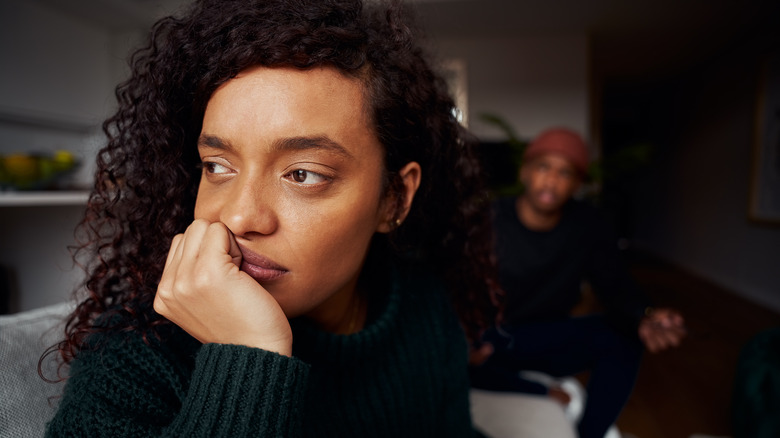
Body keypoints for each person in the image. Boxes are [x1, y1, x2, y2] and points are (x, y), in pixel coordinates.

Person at [42, 0, 500, 436]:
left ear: (394, 200)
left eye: (303, 174)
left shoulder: (425, 310)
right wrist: (246, 358)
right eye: (217, 166)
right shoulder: (131, 353)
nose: (240, 216)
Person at [469, 127, 686, 438]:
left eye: (565, 172)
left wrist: (646, 316)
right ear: (525, 172)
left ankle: (589, 434)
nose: (552, 179)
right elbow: (454, 285)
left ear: (576, 184)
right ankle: (537, 391)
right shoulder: (488, 219)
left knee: (624, 334)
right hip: (493, 338)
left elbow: (615, 284)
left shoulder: (587, 223)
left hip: (546, 335)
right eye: (544, 167)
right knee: (455, 356)